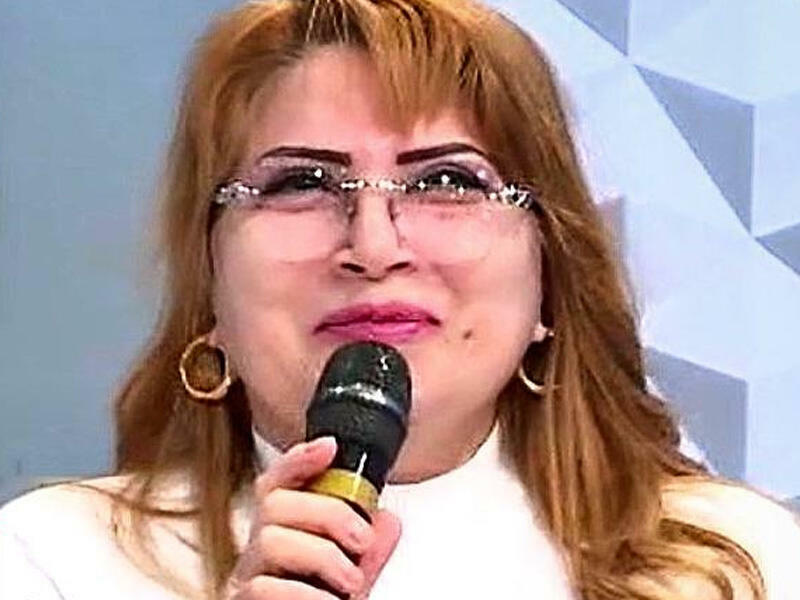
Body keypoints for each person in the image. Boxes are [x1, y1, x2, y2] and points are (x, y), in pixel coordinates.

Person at [1, 0, 799, 598]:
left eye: (447, 181)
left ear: (551, 273)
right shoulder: (56, 560)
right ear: (209, 276)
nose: (376, 246)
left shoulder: (736, 564)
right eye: (302, 182)